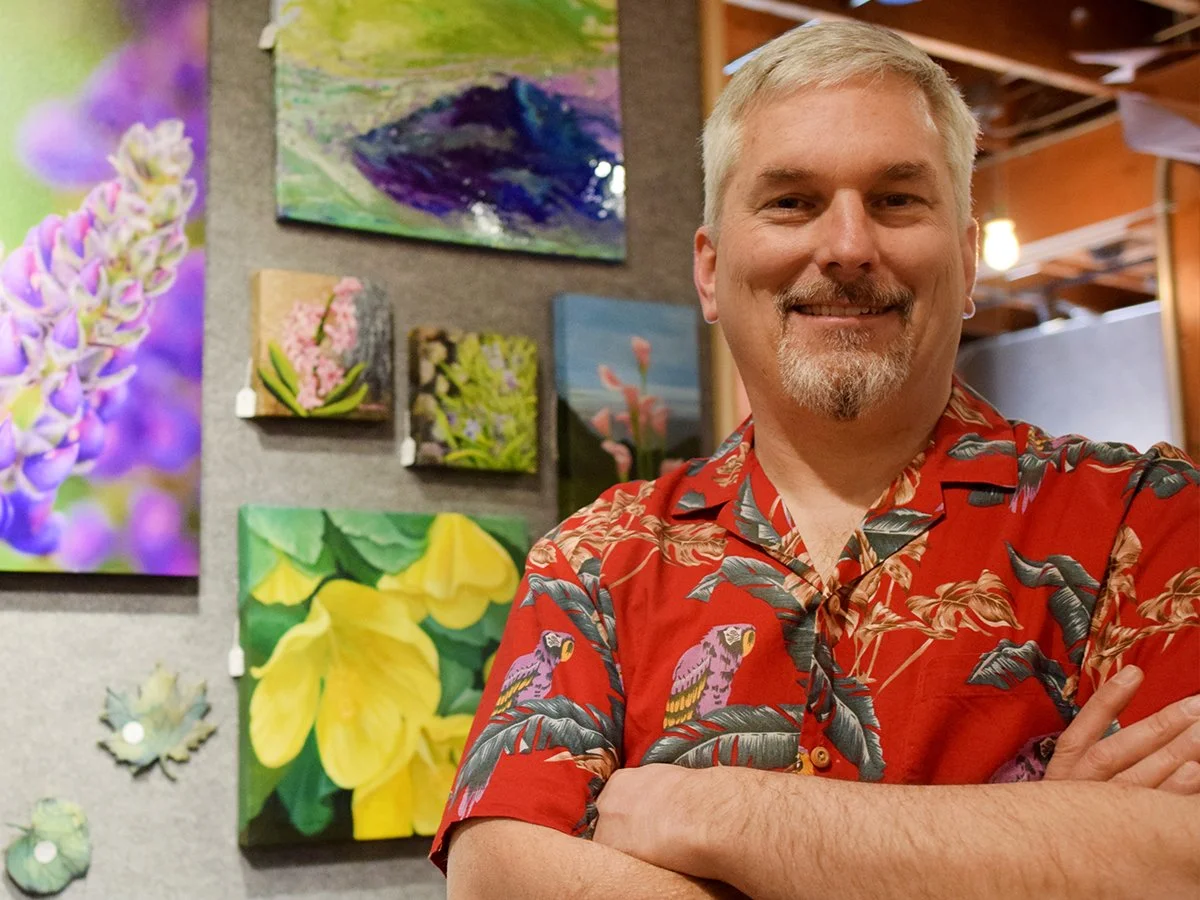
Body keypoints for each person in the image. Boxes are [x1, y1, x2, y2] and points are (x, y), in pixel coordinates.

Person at [433, 21, 1200, 898]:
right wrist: (1040, 846)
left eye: (897, 200)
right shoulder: (597, 559)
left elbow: (1182, 859)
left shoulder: (1146, 517)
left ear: (965, 256)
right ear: (710, 271)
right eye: (792, 202)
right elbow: (497, 874)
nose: (846, 246)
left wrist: (715, 816)